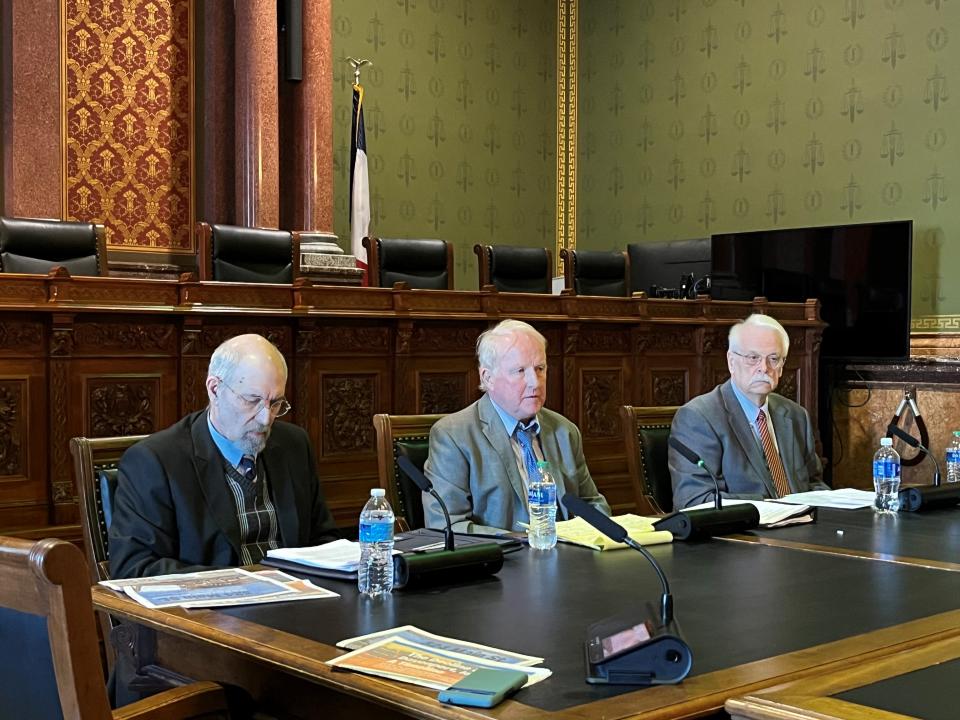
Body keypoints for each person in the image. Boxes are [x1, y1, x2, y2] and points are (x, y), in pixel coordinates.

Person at [109, 334, 338, 578]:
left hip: (298, 607)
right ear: (215, 389)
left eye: (276, 403)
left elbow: (323, 542)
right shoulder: (155, 461)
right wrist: (242, 585)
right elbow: (135, 570)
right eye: (253, 401)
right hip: (206, 612)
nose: (266, 418)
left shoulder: (293, 445)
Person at [423, 319, 610, 534]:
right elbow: (447, 525)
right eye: (520, 371)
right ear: (488, 377)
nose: (535, 382)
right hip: (501, 563)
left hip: (569, 559)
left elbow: (593, 504)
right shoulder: (454, 435)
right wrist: (521, 540)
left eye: (540, 368)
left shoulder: (564, 431)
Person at [669, 313, 826, 509]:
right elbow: (694, 501)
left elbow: (814, 485)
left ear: (783, 366)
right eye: (753, 358)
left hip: (802, 530)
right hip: (742, 535)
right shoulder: (698, 418)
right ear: (731, 362)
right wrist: (774, 506)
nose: (764, 368)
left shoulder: (795, 415)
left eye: (773, 358)